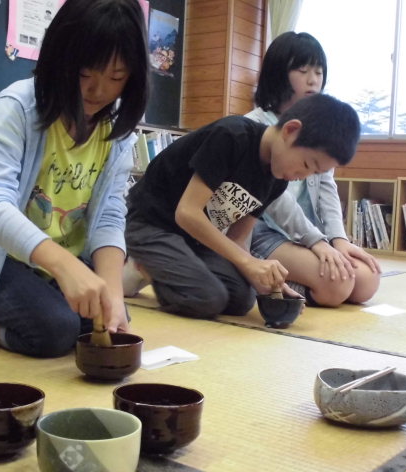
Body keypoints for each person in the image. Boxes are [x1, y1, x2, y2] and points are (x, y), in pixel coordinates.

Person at [0, 0, 150, 358]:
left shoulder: (116, 130)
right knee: (55, 331)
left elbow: (110, 215)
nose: (98, 91)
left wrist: (113, 291)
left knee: (106, 318)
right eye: (85, 73)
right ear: (60, 59)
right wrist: (64, 265)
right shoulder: (18, 107)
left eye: (116, 77)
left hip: (60, 259)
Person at [124, 93, 361, 320]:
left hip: (192, 238)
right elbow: (187, 213)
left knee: (242, 299)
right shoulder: (232, 136)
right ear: (290, 130)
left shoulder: (276, 180)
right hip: (150, 223)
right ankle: (143, 265)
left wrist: (266, 282)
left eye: (313, 173)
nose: (302, 176)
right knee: (207, 298)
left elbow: (237, 239)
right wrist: (249, 263)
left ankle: (170, 265)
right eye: (307, 164)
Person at [246, 31, 381, 307]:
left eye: (319, 72)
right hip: (263, 232)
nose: (313, 80)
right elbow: (274, 198)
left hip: (308, 232)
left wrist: (338, 239)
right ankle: (269, 285)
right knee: (337, 285)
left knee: (367, 280)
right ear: (278, 73)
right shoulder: (255, 125)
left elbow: (327, 187)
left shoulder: (319, 126)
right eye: (302, 70)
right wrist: (316, 242)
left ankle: (291, 279)